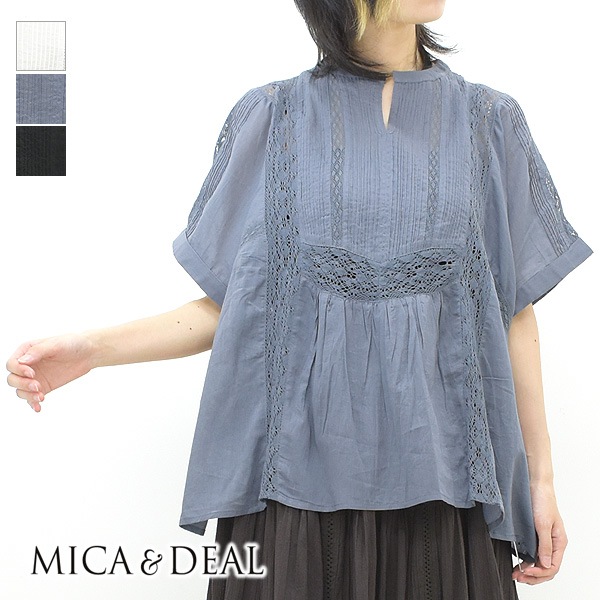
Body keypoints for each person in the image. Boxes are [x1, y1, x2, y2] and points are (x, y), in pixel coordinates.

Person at [6, 1, 594, 598]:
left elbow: (512, 312)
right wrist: (92, 349)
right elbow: (235, 309)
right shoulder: (273, 118)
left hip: (448, 491)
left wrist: (542, 483)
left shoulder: (490, 121)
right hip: (291, 498)